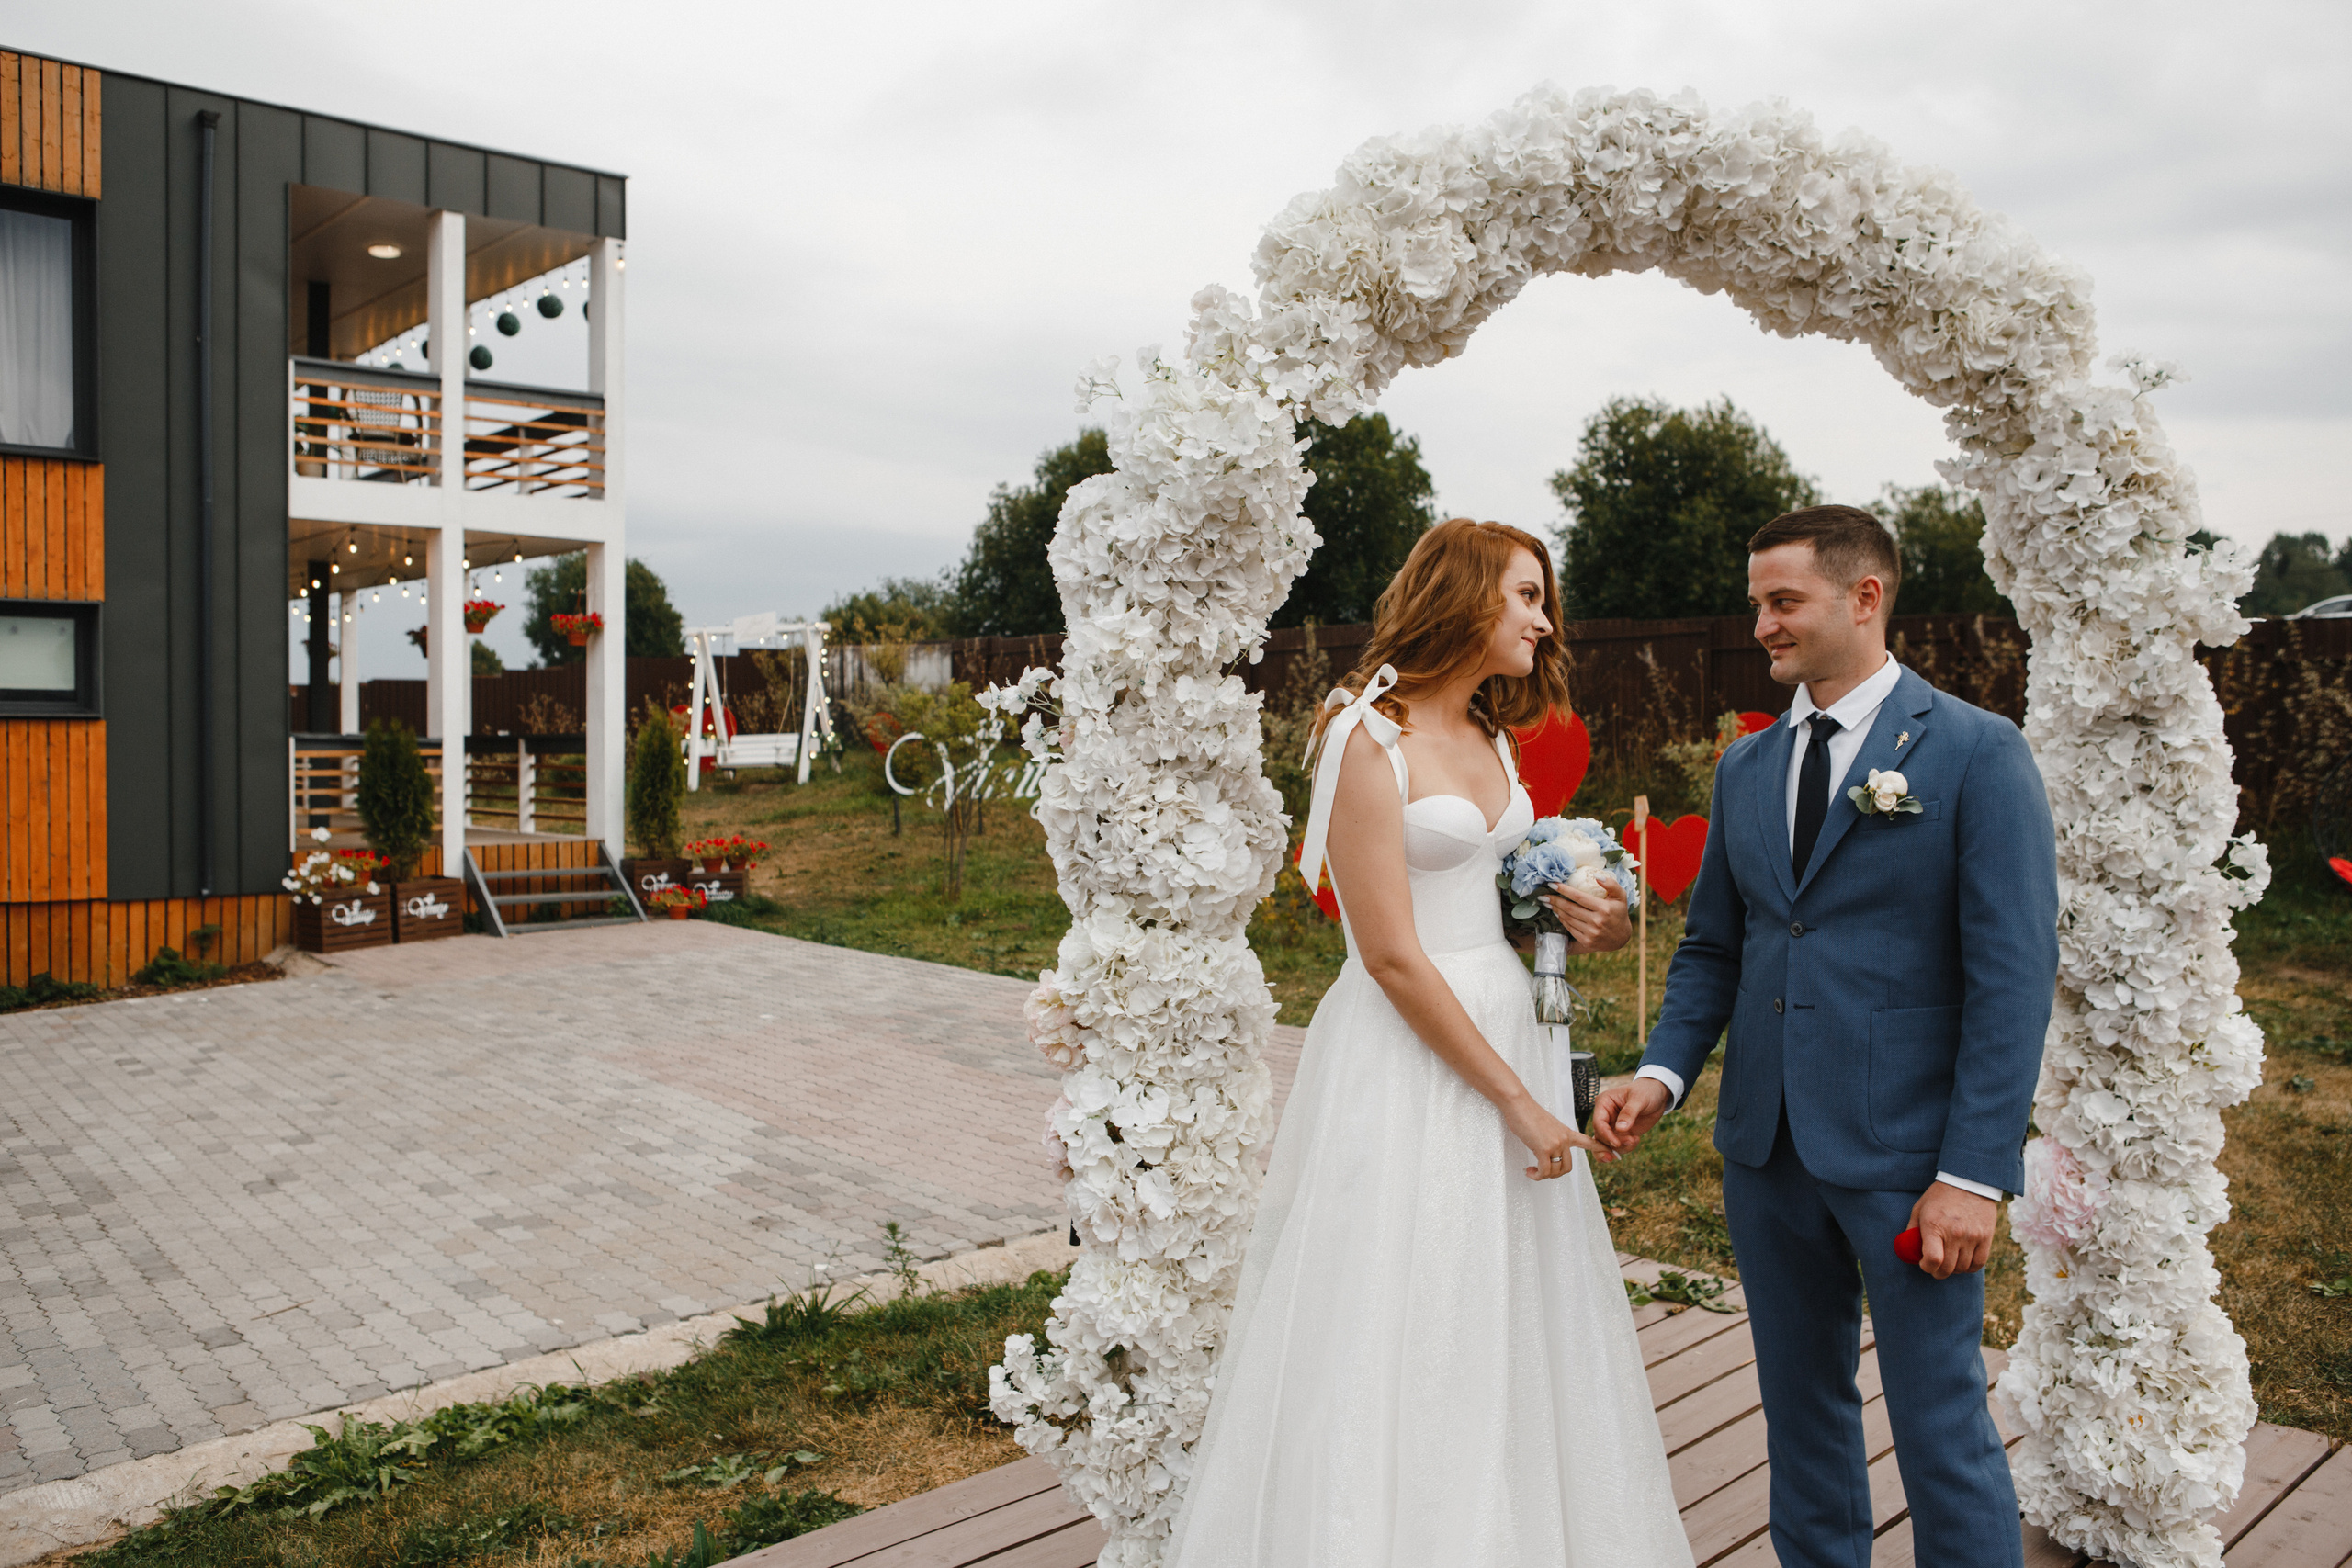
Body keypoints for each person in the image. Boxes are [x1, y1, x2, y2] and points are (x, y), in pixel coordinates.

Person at [1165, 519, 1695, 1568]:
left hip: (1509, 1023)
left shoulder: (1496, 736)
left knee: (1511, 1301)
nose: (1544, 623)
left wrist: (1589, 922)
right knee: (1401, 1300)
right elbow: (1390, 955)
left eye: (1544, 601)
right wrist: (1517, 1101)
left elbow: (1497, 910)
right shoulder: (1365, 735)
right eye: (1527, 597)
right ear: (1463, 596)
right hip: (1412, 1051)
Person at [1592, 505, 2059, 1568]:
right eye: (1756, 602)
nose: (1761, 623)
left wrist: (1972, 1176)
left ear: (1864, 597)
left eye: (1782, 601)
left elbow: (2011, 982)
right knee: (1799, 1413)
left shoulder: (1977, 753)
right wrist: (1662, 1073)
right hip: (1765, 1150)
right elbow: (1715, 946)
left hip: (1909, 1159)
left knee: (1939, 1420)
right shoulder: (1745, 766)